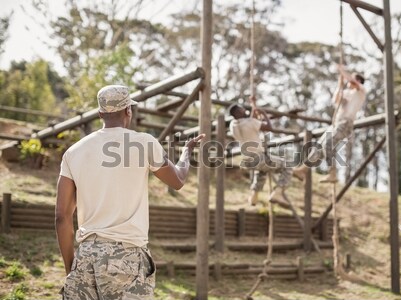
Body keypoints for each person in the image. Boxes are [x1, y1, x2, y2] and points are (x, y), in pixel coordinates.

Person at [55, 84, 204, 299]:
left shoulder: (73, 152)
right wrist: (187, 153)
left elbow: (62, 217)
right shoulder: (143, 143)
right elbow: (178, 180)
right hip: (127, 257)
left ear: (100, 114)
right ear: (128, 111)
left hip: (85, 257)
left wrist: (72, 268)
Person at [294, 66, 366, 182]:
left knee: (328, 144)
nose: (348, 81)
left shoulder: (360, 92)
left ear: (358, 81)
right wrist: (340, 83)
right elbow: (336, 100)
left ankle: (332, 173)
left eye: (351, 79)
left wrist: (342, 71)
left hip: (345, 124)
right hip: (336, 124)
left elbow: (353, 82)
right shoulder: (347, 93)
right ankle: (303, 170)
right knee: (319, 146)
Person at [229, 97, 293, 208]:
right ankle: (278, 192)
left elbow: (250, 120)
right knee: (287, 165)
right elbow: (269, 127)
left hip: (248, 160)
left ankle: (254, 197)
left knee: (262, 171)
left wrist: (253, 103)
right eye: (242, 109)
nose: (245, 110)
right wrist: (263, 114)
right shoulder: (250, 122)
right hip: (258, 157)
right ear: (239, 112)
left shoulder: (233, 125)